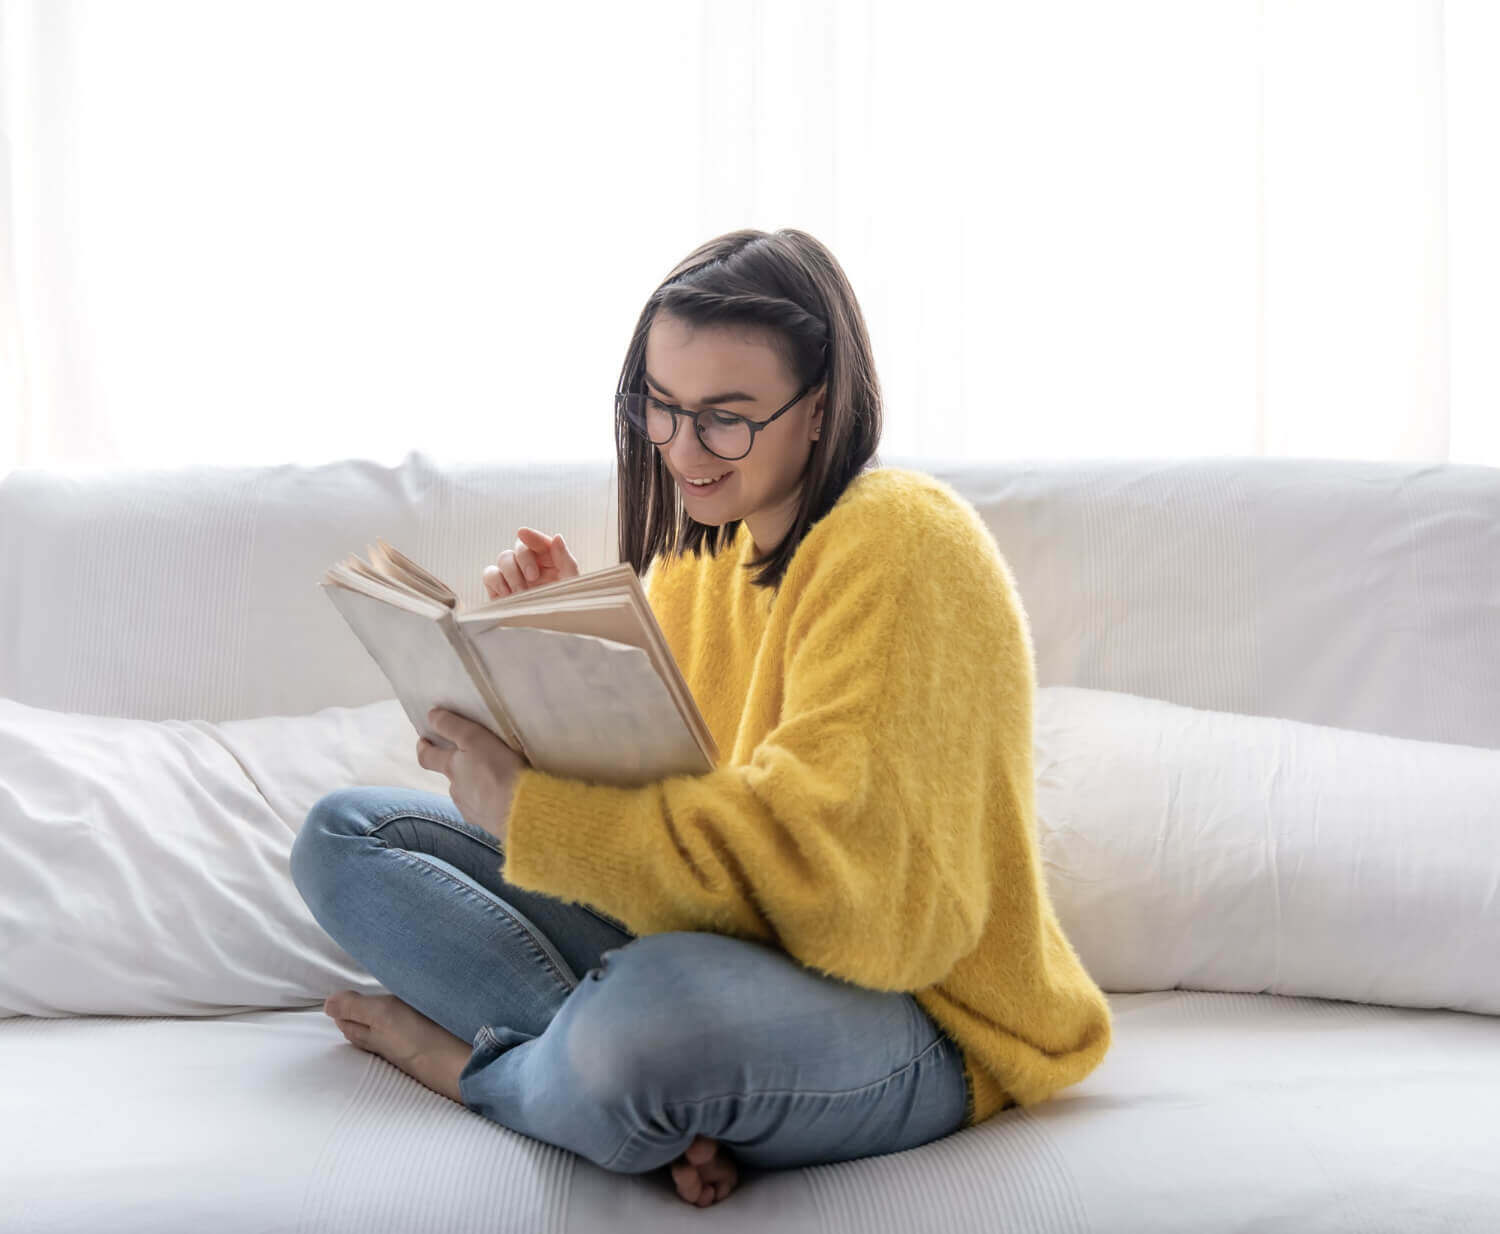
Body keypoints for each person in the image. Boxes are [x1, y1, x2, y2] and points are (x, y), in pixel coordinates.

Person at [290, 227, 1113, 1210]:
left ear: (820, 410)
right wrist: (561, 665)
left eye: (725, 418)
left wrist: (532, 814)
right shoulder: (700, 565)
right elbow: (661, 816)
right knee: (344, 837)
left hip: (918, 1002)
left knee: (653, 1019)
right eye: (662, 408)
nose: (682, 449)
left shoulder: (904, 541)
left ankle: (487, 1073)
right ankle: (622, 1093)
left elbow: (845, 895)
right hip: (724, 955)